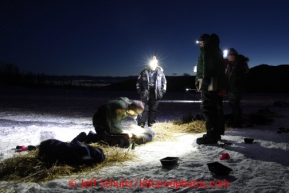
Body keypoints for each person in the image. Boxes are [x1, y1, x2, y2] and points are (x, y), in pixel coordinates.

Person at [72, 97, 155, 147]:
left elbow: (115, 121)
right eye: (135, 113)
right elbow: (114, 122)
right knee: (107, 139)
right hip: (101, 120)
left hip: (108, 120)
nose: (134, 115)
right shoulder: (122, 107)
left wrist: (122, 130)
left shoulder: (126, 106)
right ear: (132, 108)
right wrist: (122, 131)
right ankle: (86, 137)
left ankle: (95, 136)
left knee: (119, 136)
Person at [195, 33, 226, 145]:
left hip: (209, 83)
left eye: (201, 41)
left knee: (207, 108)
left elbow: (206, 68)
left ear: (207, 41)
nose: (200, 43)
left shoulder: (209, 51)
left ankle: (211, 135)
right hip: (214, 82)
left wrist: (203, 83)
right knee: (213, 108)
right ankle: (215, 133)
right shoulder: (215, 50)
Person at [136, 56, 167, 128]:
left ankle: (151, 125)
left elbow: (164, 83)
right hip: (145, 94)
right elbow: (138, 83)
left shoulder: (160, 73)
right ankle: (141, 125)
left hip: (156, 94)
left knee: (153, 110)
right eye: (152, 64)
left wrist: (162, 92)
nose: (153, 66)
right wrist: (140, 92)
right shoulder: (143, 72)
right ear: (150, 64)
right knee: (144, 109)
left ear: (156, 64)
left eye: (154, 64)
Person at [226, 48, 249, 128]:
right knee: (233, 104)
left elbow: (244, 75)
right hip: (232, 87)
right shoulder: (232, 64)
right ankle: (236, 119)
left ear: (232, 56)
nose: (227, 57)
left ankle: (238, 121)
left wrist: (236, 82)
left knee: (235, 104)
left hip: (235, 88)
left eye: (228, 55)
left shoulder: (239, 64)